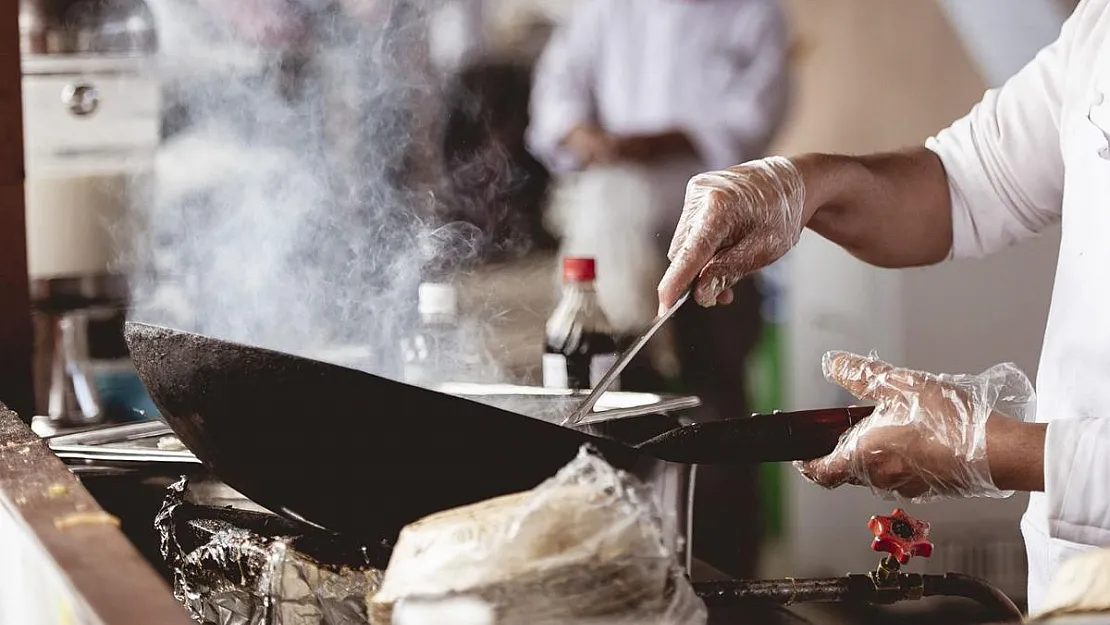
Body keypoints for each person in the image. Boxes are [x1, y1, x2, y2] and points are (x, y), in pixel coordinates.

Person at [656, 0, 1110, 611]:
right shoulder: (1099, 26)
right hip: (1074, 573)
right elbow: (963, 184)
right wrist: (803, 182)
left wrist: (989, 448)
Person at [526, 0, 791, 578]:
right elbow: (557, 88)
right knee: (621, 407)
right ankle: (636, 569)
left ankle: (728, 578)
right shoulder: (604, 10)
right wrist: (585, 135)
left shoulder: (753, 12)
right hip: (621, 244)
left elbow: (755, 112)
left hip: (723, 237)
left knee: (718, 410)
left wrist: (664, 141)